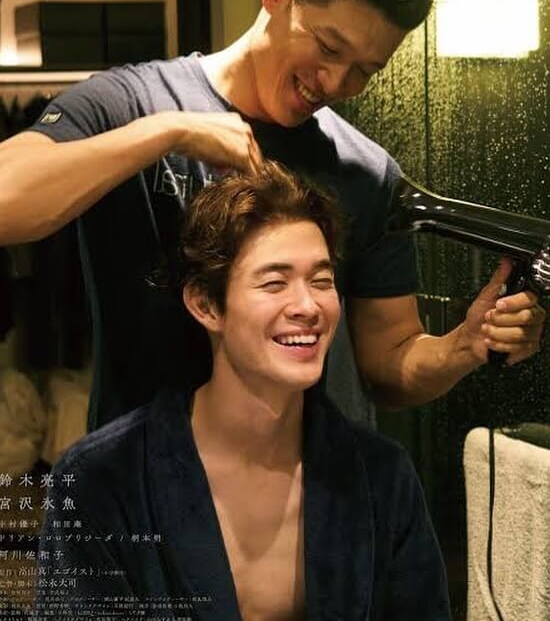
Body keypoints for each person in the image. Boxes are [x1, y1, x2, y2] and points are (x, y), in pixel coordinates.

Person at [0, 0, 544, 429]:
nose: (335, 83)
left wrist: (462, 347)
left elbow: (387, 365)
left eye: (364, 71)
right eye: (328, 47)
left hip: (308, 493)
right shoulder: (130, 102)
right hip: (143, 489)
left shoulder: (368, 174)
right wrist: (166, 133)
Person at [33, 163, 452, 620]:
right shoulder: (100, 479)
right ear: (206, 304)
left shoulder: (382, 478)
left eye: (321, 281)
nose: (308, 306)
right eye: (274, 283)